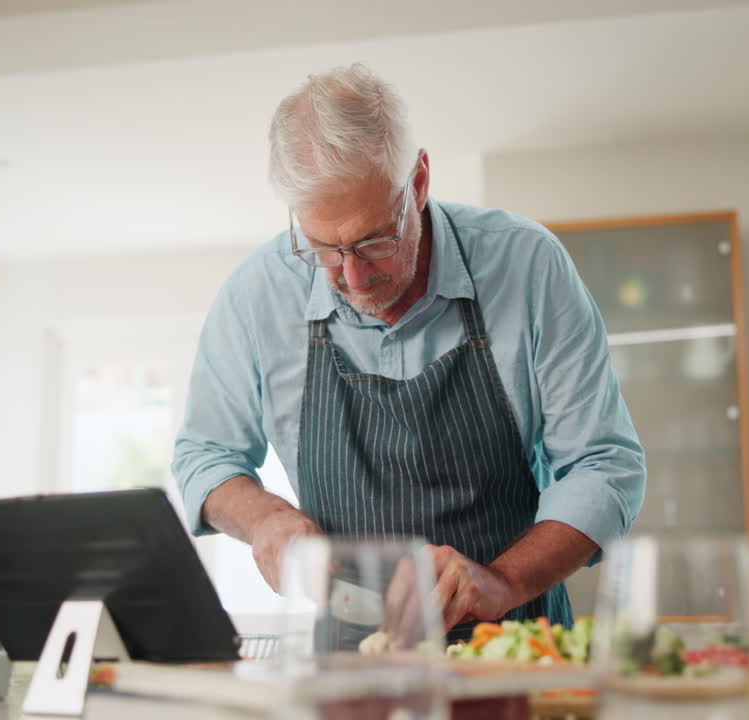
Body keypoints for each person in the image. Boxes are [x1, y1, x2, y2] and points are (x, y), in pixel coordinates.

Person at [173, 63, 645, 643]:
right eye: (323, 247)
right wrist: (265, 520)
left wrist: (500, 580)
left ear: (418, 182)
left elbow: (603, 464)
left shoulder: (526, 266)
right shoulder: (256, 296)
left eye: (373, 240)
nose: (352, 275)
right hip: (351, 663)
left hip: (513, 646)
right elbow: (205, 457)